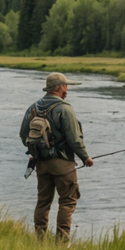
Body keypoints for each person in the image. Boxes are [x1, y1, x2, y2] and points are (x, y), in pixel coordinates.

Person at [20, 72, 93, 240]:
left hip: (41, 164)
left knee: (43, 202)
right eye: (66, 86)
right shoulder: (65, 109)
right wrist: (85, 158)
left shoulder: (33, 107)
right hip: (63, 165)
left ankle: (40, 239)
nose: (67, 90)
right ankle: (61, 241)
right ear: (60, 88)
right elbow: (74, 139)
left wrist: (36, 151)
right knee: (67, 201)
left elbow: (24, 136)